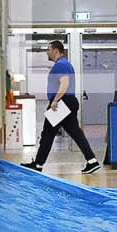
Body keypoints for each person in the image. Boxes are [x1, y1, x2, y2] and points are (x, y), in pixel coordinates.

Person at [26, 39, 101, 173]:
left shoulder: (60, 65)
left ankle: (38, 165)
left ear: (56, 51)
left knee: (47, 134)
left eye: (48, 50)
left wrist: (55, 100)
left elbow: (64, 84)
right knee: (76, 133)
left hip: (61, 103)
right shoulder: (66, 64)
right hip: (69, 102)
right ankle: (92, 161)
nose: (47, 52)